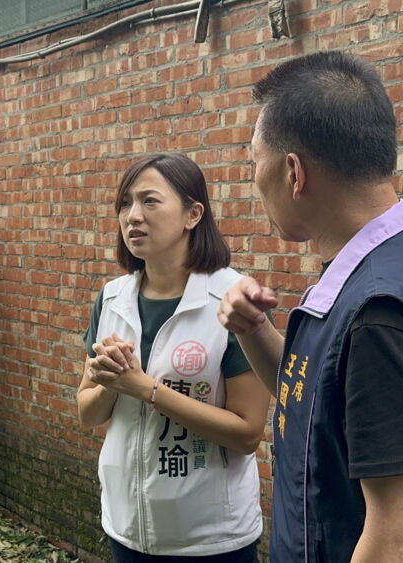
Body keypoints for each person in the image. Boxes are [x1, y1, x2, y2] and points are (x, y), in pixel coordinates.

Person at [217, 51, 403, 562]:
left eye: (255, 160)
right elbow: (323, 406)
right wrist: (253, 329)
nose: (254, 178)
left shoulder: (380, 314)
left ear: (294, 172)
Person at [77, 153, 269, 562]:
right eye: (125, 203)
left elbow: (248, 433)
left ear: (192, 214)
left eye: (150, 201)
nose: (132, 216)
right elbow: (88, 413)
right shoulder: (112, 298)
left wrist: (144, 388)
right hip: (126, 527)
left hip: (211, 538)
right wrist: (111, 385)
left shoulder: (231, 300)